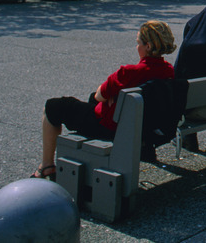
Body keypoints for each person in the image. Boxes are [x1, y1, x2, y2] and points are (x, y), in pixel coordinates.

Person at [32, 20, 177, 180]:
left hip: (110, 128)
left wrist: (113, 94)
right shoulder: (168, 71)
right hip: (144, 128)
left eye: (138, 43)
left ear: (148, 46)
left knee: (54, 106)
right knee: (92, 99)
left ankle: (46, 165)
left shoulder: (129, 72)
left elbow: (99, 95)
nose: (137, 47)